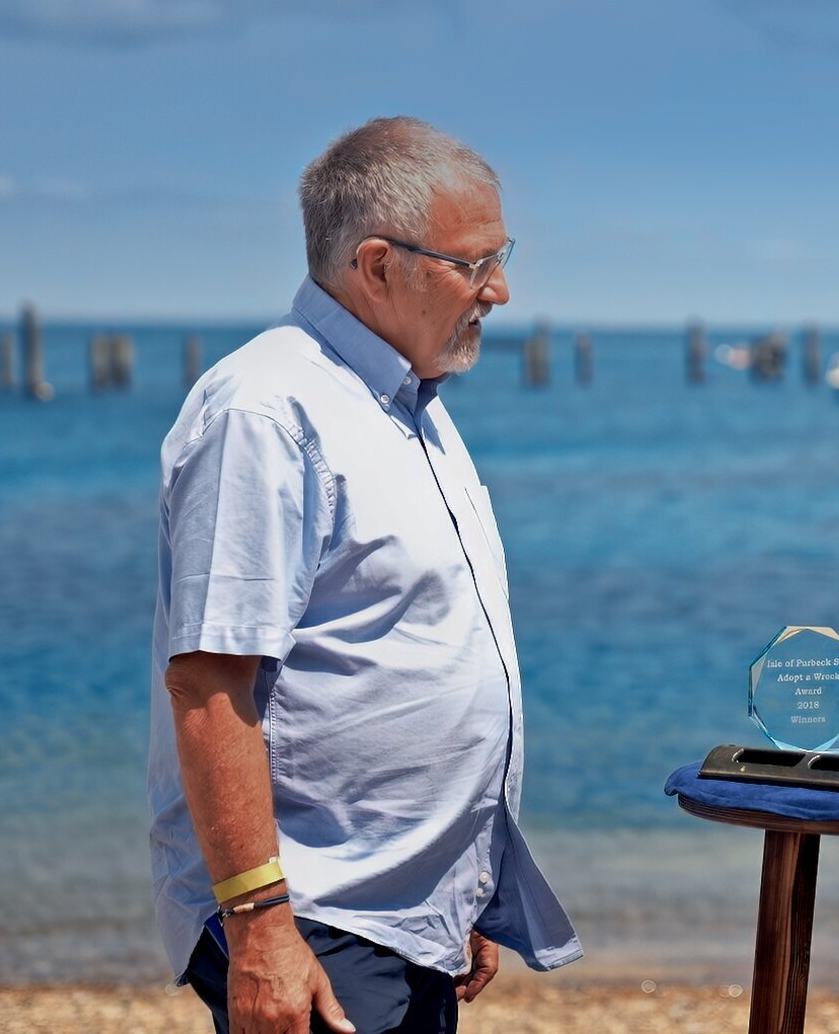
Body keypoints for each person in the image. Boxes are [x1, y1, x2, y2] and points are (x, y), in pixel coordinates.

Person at [148, 117, 580, 1034]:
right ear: (378, 265)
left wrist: (465, 886)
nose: (500, 290)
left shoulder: (411, 403)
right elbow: (209, 682)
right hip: (315, 913)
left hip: (404, 910)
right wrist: (261, 929)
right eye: (474, 263)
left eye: (501, 257)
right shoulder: (265, 412)